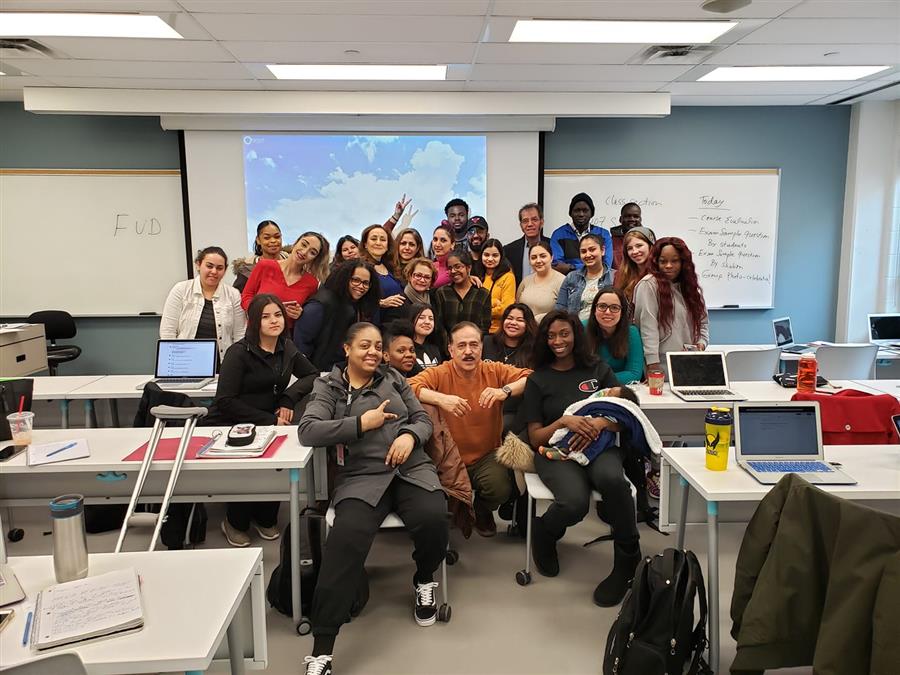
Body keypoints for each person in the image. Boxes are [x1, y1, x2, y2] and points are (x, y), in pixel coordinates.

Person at [298, 323, 448, 675]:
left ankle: (424, 578)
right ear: (346, 349)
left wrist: (409, 436)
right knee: (345, 542)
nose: (373, 352)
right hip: (362, 477)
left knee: (434, 517)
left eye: (378, 346)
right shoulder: (329, 386)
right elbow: (308, 431)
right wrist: (360, 424)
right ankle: (322, 648)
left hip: (410, 469)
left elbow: (422, 419)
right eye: (364, 345)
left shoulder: (393, 377)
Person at [519, 310, 640, 607]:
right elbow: (535, 437)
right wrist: (564, 422)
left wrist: (601, 423)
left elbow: (626, 414)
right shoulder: (537, 380)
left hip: (600, 447)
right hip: (556, 452)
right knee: (574, 503)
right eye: (551, 336)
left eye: (564, 333)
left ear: (576, 334)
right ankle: (544, 533)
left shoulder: (598, 369)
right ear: (544, 340)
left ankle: (628, 560)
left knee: (613, 481)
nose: (558, 341)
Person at [206, 294, 318, 548]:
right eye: (266, 317)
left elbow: (312, 374)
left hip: (269, 421)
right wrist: (269, 419)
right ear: (255, 322)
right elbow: (225, 400)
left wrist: (288, 399)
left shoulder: (286, 347)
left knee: (274, 466)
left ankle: (264, 518)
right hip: (233, 422)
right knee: (246, 472)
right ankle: (235, 523)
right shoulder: (239, 352)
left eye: (278, 315)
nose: (274, 321)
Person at [409, 322, 531, 536]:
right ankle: (458, 507)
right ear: (451, 350)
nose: (468, 351)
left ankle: (482, 510)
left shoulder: (493, 370)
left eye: (474, 345)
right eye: (461, 345)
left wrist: (504, 390)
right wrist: (441, 398)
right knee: (437, 501)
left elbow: (531, 377)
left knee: (500, 490)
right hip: (447, 457)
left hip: (486, 456)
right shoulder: (440, 372)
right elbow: (407, 386)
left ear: (481, 348)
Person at [633, 237, 709, 375]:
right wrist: (652, 364)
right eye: (663, 261)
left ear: (683, 262)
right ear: (656, 262)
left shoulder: (692, 288)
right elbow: (647, 327)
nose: (668, 266)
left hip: (690, 362)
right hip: (660, 364)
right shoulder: (648, 285)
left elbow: (703, 323)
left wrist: (701, 344)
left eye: (674, 261)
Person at [160, 246, 245, 365]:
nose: (214, 271)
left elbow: (240, 335)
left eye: (219, 268)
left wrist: (236, 365)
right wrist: (175, 363)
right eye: (209, 266)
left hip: (224, 364)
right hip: (184, 364)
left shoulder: (234, 295)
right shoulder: (181, 290)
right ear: (198, 265)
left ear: (225, 270)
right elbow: (167, 332)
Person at [293, 261, 382, 371]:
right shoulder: (319, 305)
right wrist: (309, 373)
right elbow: (301, 345)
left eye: (365, 283)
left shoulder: (359, 306)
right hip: (316, 372)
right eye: (355, 280)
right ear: (345, 279)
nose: (361, 286)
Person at [240, 231, 329, 330]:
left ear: (315, 259)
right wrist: (260, 312)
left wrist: (300, 314)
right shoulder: (264, 266)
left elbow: (307, 315)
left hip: (285, 336)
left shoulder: (312, 283)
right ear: (296, 243)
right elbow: (246, 296)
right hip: (256, 331)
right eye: (303, 244)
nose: (304, 252)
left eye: (312, 252)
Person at [586, 286, 644, 384]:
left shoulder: (631, 332)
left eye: (614, 308)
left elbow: (634, 374)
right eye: (602, 306)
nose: (607, 312)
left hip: (619, 388)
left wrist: (597, 380)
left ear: (622, 312)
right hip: (588, 389)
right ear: (594, 310)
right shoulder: (582, 328)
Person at [555, 234, 615, 323]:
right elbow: (560, 310)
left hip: (606, 328)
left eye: (592, 250)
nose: (588, 255)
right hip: (577, 328)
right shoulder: (571, 277)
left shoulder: (615, 276)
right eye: (583, 251)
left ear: (602, 250)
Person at [433, 251, 491, 339]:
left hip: (474, 343)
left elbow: (484, 327)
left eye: (458, 267)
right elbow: (439, 326)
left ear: (468, 268)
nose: (453, 271)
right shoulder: (442, 293)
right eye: (450, 268)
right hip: (449, 345)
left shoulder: (482, 294)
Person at [550, 192, 613, 273]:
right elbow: (557, 266)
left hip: (598, 280)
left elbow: (606, 265)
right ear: (570, 213)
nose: (581, 214)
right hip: (567, 280)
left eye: (585, 210)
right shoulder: (559, 235)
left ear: (592, 213)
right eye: (577, 210)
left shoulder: (603, 234)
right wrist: (592, 266)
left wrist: (571, 267)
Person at [360, 224, 406, 323]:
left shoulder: (392, 268)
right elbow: (355, 299)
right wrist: (381, 303)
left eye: (383, 240)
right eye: (373, 239)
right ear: (365, 244)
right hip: (372, 326)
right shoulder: (360, 268)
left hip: (394, 325)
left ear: (387, 246)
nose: (378, 243)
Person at [232, 220, 288, 292]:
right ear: (258, 240)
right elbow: (238, 296)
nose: (273, 241)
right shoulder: (247, 271)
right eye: (267, 238)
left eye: (277, 237)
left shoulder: (294, 263)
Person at [516, 241, 565, 321]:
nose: (538, 261)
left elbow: (564, 313)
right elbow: (517, 306)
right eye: (533, 257)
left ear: (552, 257)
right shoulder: (526, 281)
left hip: (548, 327)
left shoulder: (562, 281)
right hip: (525, 327)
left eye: (543, 256)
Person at [506, 202, 552, 285]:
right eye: (525, 221)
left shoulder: (552, 245)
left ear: (542, 222)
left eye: (534, 220)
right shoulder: (509, 250)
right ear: (521, 225)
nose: (530, 224)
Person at [478, 238, 516, 334]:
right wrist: (494, 302)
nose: (490, 259)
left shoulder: (508, 277)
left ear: (501, 256)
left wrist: (482, 311)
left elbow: (506, 309)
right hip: (477, 330)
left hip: (497, 332)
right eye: (486, 255)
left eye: (495, 255)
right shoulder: (477, 277)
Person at [482, 303, 537, 368]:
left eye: (520, 320)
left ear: (528, 325)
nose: (513, 323)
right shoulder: (486, 342)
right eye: (509, 318)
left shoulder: (534, 350)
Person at [614, 226, 657, 305]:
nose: (635, 251)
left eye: (639, 246)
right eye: (630, 248)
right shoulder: (621, 276)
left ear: (650, 246)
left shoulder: (660, 274)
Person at [609, 202, 642, 269]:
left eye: (636, 216)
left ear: (640, 219)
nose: (632, 219)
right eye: (628, 216)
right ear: (620, 219)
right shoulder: (610, 242)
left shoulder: (648, 240)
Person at [410, 304, 443, 369]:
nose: (427, 322)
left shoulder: (434, 349)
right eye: (421, 317)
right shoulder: (406, 348)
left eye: (431, 319)